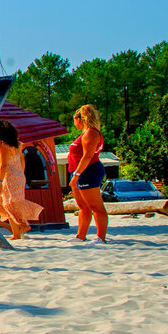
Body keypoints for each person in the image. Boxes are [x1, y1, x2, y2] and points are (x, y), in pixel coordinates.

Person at [0, 119, 42, 241]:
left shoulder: (2, 145)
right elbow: (22, 160)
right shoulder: (17, 144)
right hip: (19, 175)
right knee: (8, 203)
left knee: (8, 204)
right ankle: (17, 233)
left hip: (9, 176)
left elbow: (3, 165)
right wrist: (21, 174)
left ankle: (23, 225)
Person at [68, 104, 108, 243]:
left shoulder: (91, 132)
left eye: (74, 120)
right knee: (83, 207)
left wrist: (76, 175)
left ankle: (101, 238)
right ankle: (80, 236)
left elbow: (87, 156)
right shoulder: (86, 133)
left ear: (79, 119)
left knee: (96, 206)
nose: (74, 124)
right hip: (81, 171)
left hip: (89, 171)